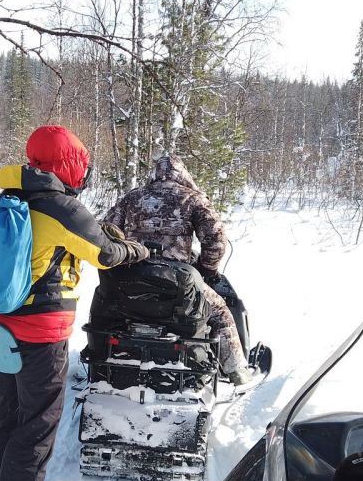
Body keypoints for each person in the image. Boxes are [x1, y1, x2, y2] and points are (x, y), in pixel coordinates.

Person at [0, 125, 148, 481]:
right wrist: (138, 250)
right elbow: (106, 255)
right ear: (68, 166)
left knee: (11, 414)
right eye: (82, 166)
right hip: (39, 329)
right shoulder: (61, 208)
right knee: (38, 423)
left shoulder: (7, 196)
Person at [103, 154, 257, 384]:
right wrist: (207, 269)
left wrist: (119, 260)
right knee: (221, 312)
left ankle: (101, 356)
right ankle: (236, 371)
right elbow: (215, 239)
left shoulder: (131, 198)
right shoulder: (192, 199)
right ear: (183, 174)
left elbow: (106, 231)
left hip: (130, 278)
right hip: (177, 282)